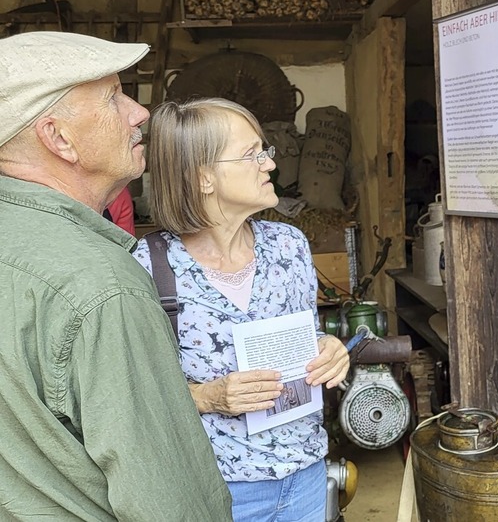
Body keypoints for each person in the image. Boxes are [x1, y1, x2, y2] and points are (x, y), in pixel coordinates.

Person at [0, 32, 232, 521]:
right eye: (113, 97)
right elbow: (169, 502)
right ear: (58, 138)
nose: (140, 112)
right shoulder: (103, 287)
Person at [133, 97, 350, 522]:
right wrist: (207, 396)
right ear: (203, 177)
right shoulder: (148, 264)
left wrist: (329, 347)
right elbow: (132, 389)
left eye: (264, 151)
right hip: (214, 488)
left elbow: (309, 338)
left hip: (305, 473)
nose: (269, 165)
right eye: (252, 155)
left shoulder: (289, 245)